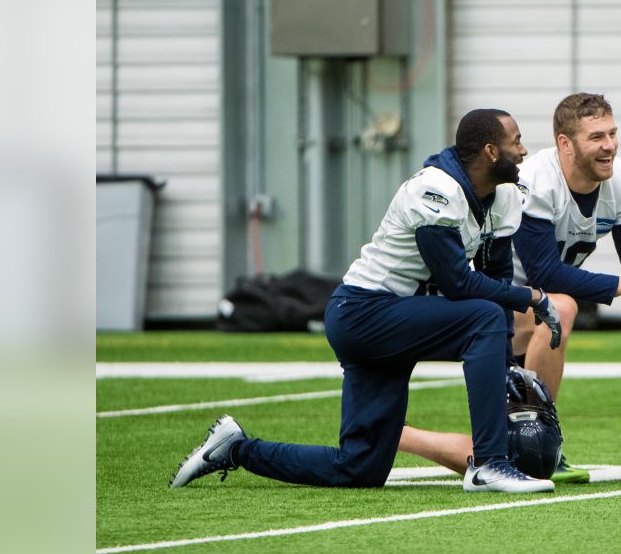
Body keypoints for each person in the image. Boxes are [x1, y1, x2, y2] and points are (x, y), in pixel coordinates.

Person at [170, 109, 563, 494]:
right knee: (482, 317)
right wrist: (532, 298)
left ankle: (235, 449)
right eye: (517, 142)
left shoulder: (505, 197)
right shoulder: (436, 189)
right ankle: (490, 464)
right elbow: (458, 283)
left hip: (399, 321)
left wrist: (506, 362)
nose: (524, 151)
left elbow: (495, 275)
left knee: (359, 468)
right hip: (362, 313)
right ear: (492, 152)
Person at [397, 93, 621, 483]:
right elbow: (545, 273)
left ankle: (526, 442)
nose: (610, 146)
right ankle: (534, 436)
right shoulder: (535, 180)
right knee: (562, 307)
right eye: (597, 137)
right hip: (484, 300)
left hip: (522, 306)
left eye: (613, 134)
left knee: (559, 308)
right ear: (565, 144)